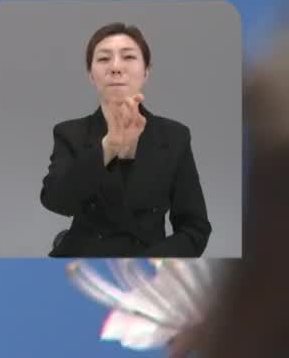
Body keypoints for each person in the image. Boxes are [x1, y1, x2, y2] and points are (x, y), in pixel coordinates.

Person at [39, 22, 212, 257]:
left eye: (128, 57)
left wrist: (148, 263)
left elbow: (195, 228)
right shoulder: (70, 133)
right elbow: (57, 201)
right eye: (103, 59)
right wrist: (108, 146)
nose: (116, 68)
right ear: (91, 74)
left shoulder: (174, 136)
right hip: (84, 258)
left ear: (146, 71)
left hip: (146, 270)